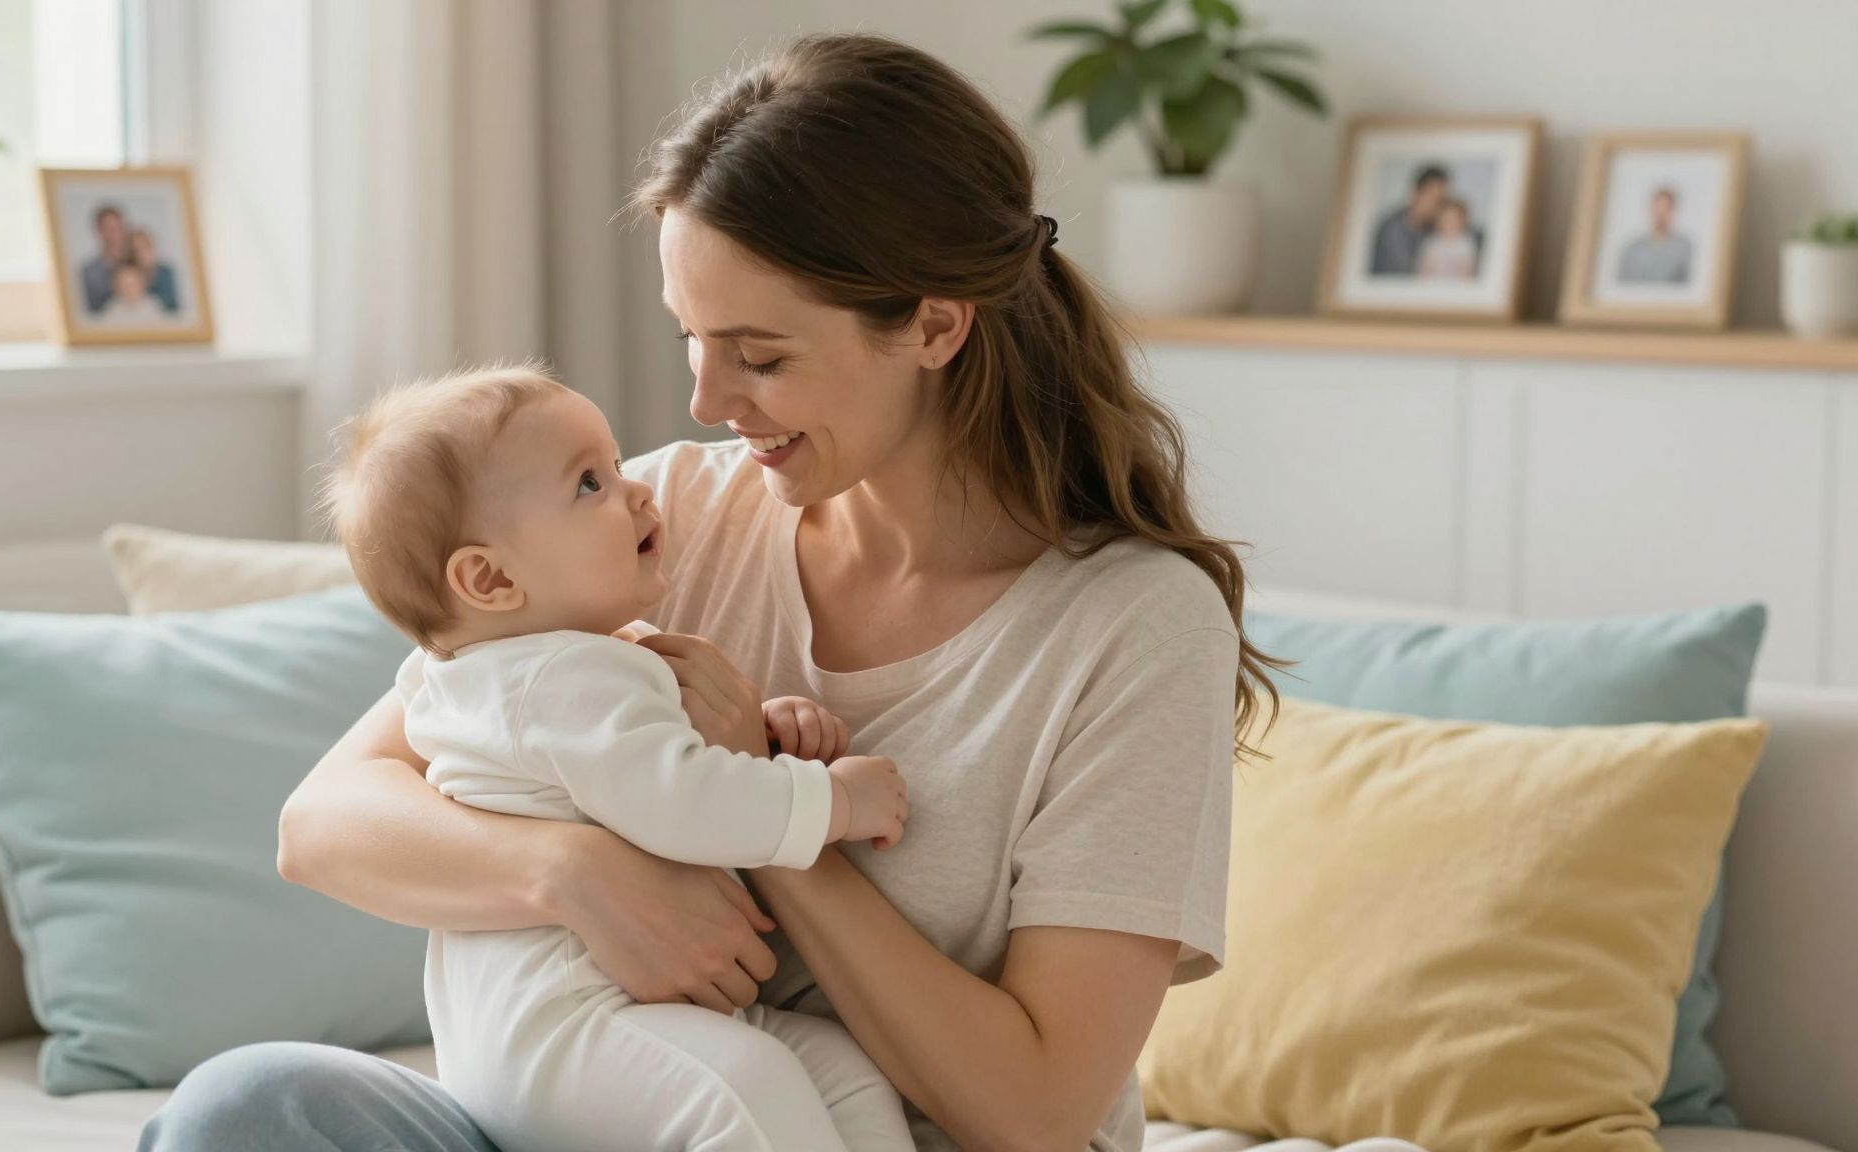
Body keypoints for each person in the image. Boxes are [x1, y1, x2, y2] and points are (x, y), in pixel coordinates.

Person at [141, 32, 1280, 1152]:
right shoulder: (657, 516)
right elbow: (325, 822)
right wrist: (579, 873)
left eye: (760, 355)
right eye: (689, 339)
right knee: (250, 1111)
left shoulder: (1130, 626)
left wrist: (781, 822)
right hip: (619, 1114)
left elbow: (1034, 1113)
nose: (704, 401)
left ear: (934, 323)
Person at [320, 365, 914, 1152]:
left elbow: (633, 766)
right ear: (491, 578)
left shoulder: (521, 670)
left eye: (619, 462)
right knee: (746, 1093)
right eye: (590, 484)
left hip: (561, 1028)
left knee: (839, 1072)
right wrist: (833, 800)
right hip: (567, 1028)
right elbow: (683, 802)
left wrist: (763, 730)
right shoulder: (557, 678)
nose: (639, 492)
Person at [1370, 163, 1449, 276]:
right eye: (1433, 199)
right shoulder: (1391, 229)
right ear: (1415, 193)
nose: (1436, 206)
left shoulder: (1434, 231)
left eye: (1441, 201)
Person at [1617, 186, 1694, 284]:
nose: (1661, 214)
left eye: (1666, 208)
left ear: (1673, 210)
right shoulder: (1633, 248)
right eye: (1657, 207)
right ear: (1650, 209)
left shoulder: (1684, 247)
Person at [80, 204, 129, 314]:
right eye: (109, 229)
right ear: (99, 231)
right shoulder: (88, 273)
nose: (115, 234)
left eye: (118, 228)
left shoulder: (138, 265)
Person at [1416, 198, 1480, 279]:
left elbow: (1468, 272)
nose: (1449, 223)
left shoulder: (1466, 244)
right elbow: (1424, 269)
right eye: (1446, 219)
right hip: (1432, 286)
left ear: (1463, 222)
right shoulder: (1431, 243)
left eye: (1454, 220)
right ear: (1438, 221)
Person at [98, 261, 169, 324]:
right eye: (124, 285)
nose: (129, 289)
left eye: (132, 284)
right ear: (116, 286)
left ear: (142, 284)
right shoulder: (111, 309)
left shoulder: (154, 306)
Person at [130, 228, 181, 313]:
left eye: (145, 246)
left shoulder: (167, 273)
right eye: (136, 250)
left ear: (153, 246)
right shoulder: (130, 276)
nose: (142, 253)